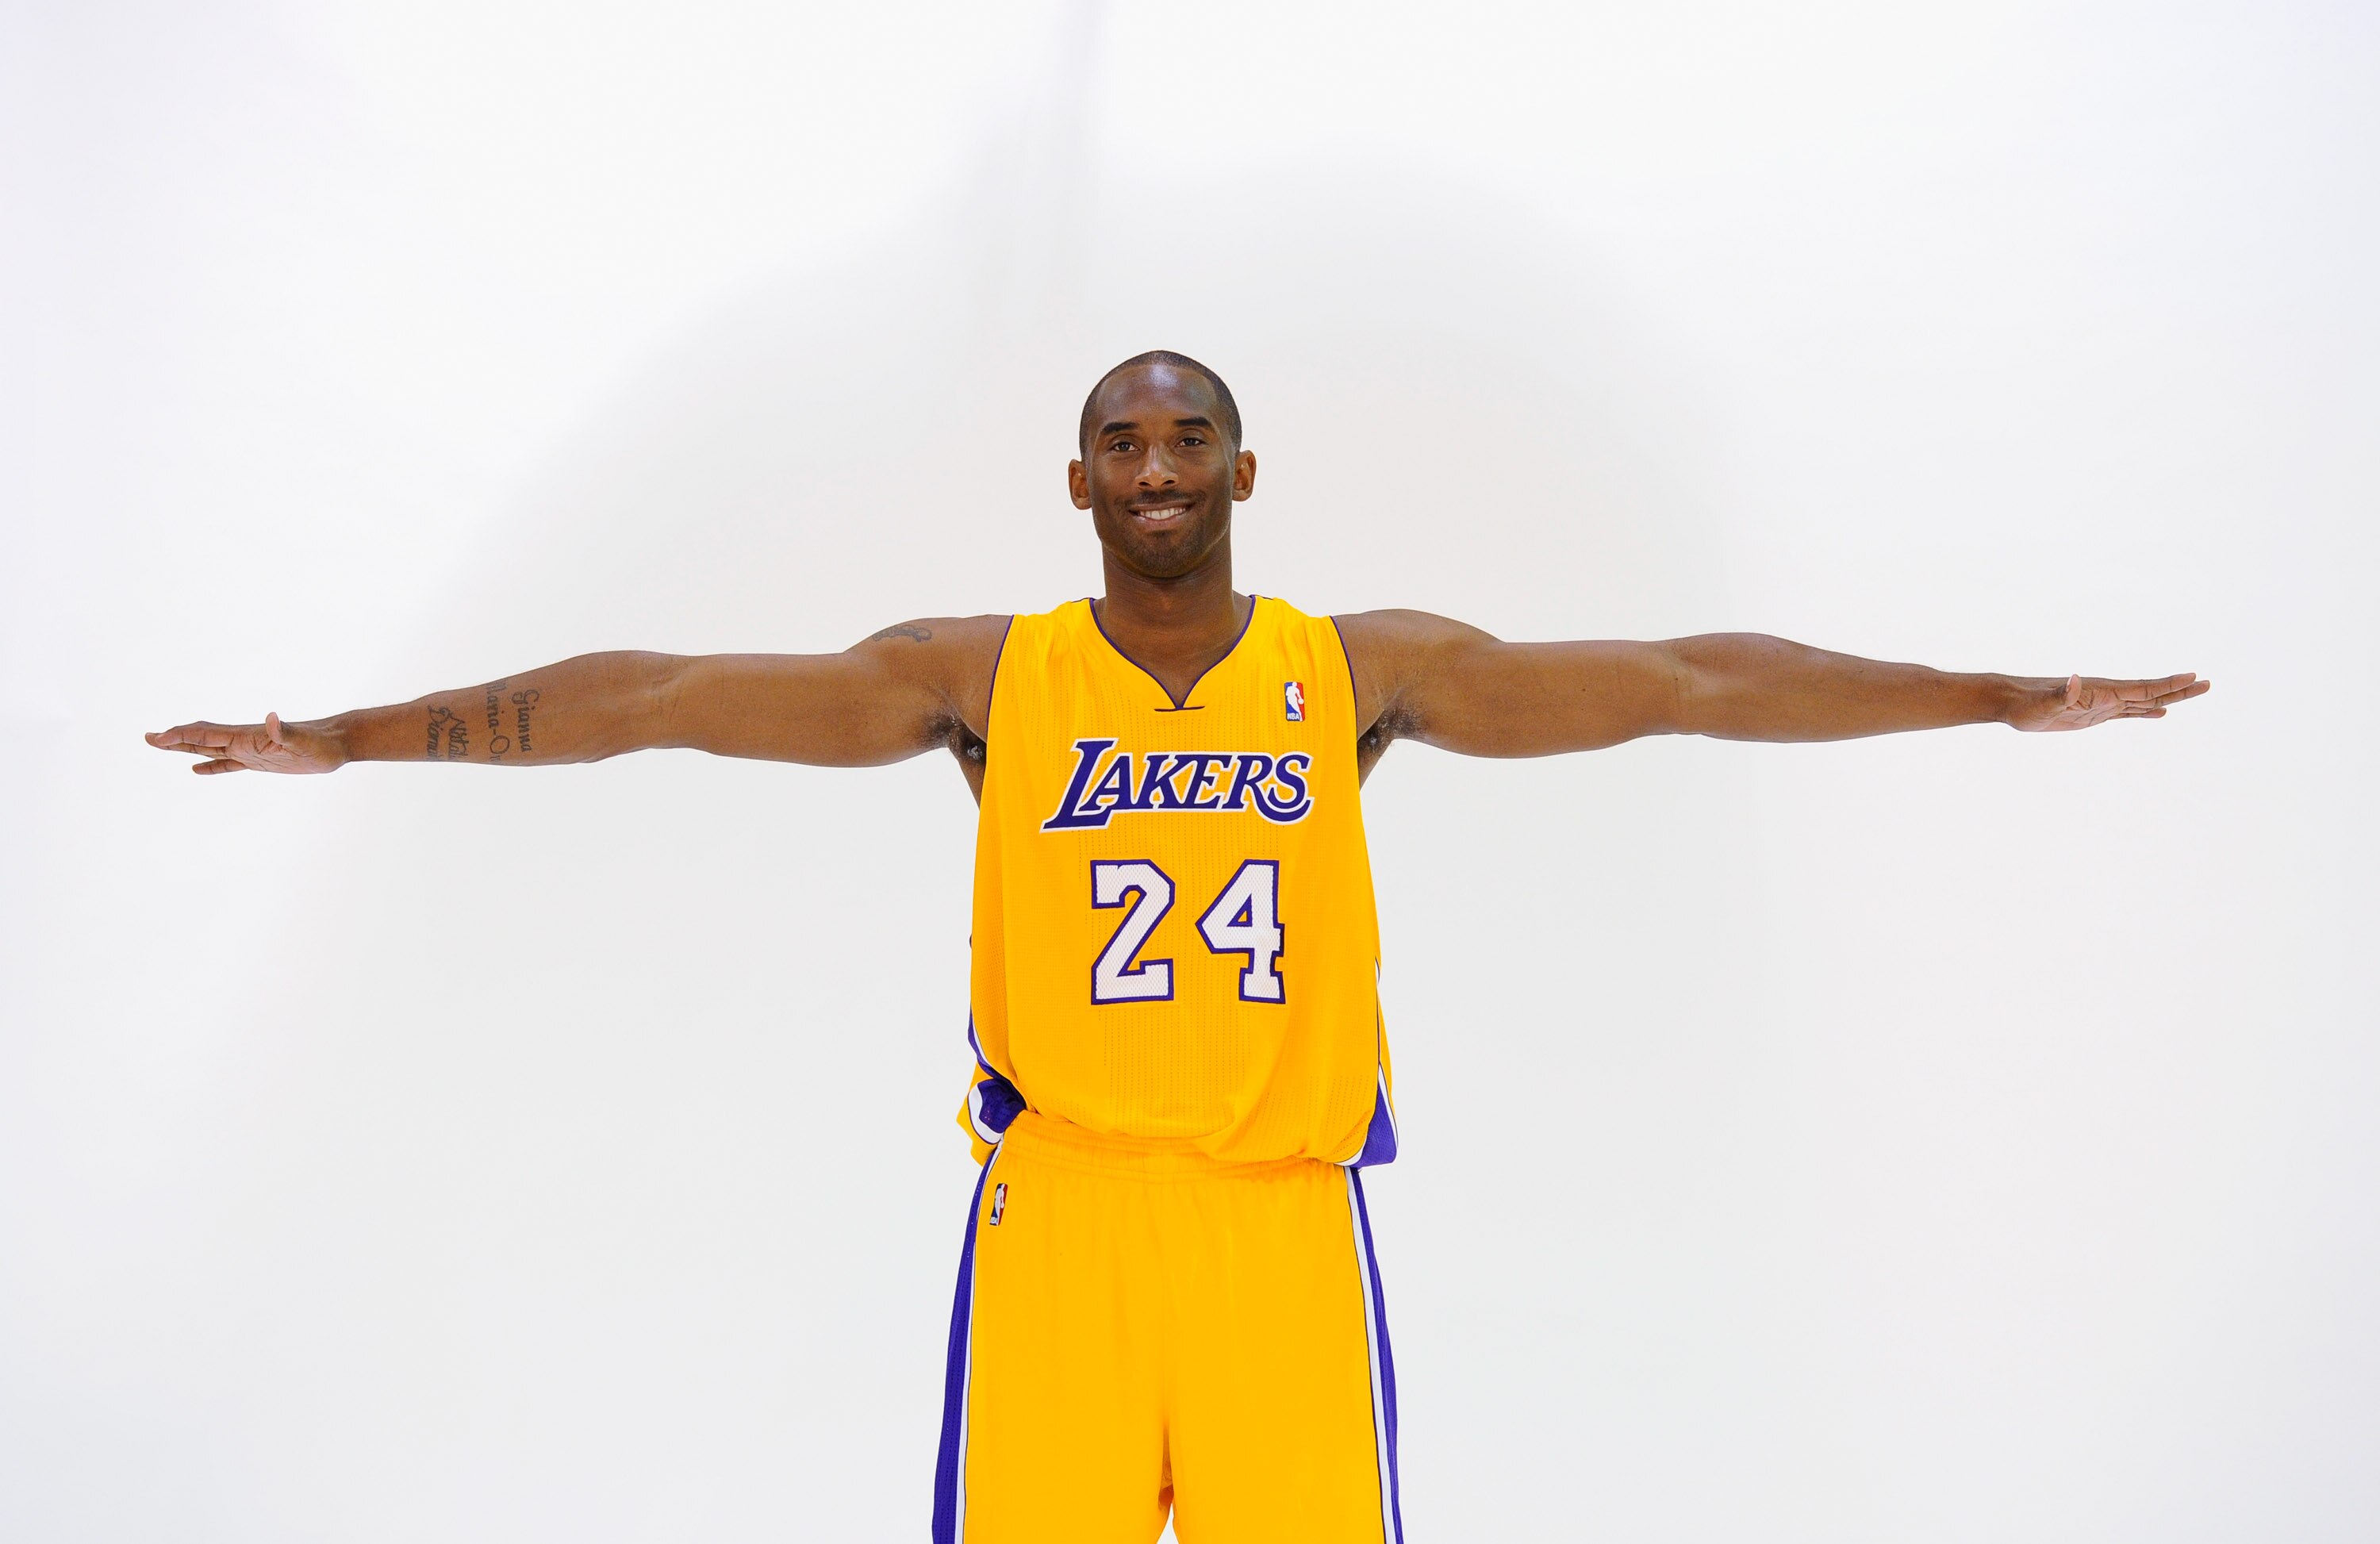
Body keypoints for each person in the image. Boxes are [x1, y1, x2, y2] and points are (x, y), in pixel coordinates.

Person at [146, 350, 2209, 1543]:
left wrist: (1987, 689)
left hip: (1279, 1223)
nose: (1156, 469)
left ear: (1242, 470)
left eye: (1189, 438)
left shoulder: (1353, 669)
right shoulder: (983, 674)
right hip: (1064, 1213)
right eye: (1122, 442)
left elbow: (1680, 674)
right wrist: (351, 736)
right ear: (1078, 478)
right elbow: (665, 688)